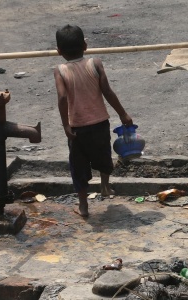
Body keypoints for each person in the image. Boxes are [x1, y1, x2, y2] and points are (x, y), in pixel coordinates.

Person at [54, 24, 133, 218]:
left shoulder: (60, 70)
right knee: (103, 156)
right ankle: (105, 187)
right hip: (99, 123)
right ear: (85, 45)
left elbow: (63, 98)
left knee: (78, 165)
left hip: (76, 128)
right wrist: (123, 113)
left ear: (59, 51)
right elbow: (107, 91)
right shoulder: (95, 63)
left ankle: (83, 206)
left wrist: (65, 124)